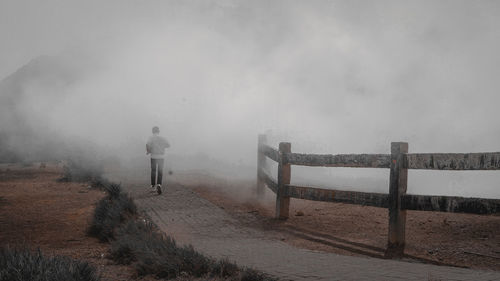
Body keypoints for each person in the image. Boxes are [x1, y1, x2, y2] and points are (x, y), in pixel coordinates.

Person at [146, 126, 170, 194]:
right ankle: (159, 185)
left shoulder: (151, 137)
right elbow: (168, 145)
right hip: (161, 157)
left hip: (153, 156)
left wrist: (148, 151)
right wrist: (162, 146)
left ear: (152, 131)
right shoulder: (162, 138)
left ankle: (153, 187)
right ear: (158, 131)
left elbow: (147, 144)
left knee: (153, 171)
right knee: (160, 171)